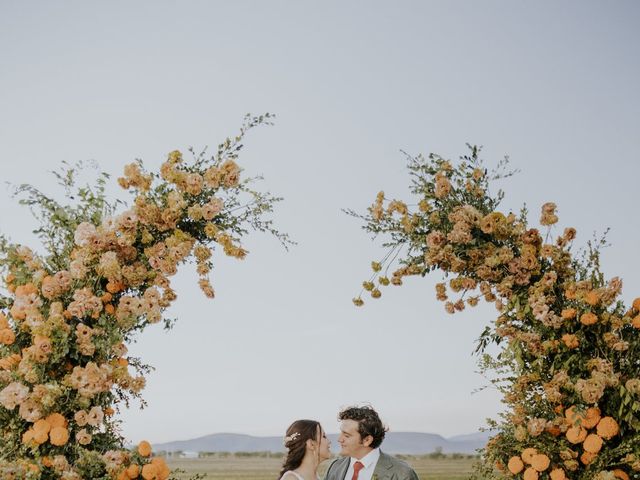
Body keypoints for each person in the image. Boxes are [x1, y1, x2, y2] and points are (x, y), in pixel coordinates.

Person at [324, 405, 419, 480]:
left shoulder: (402, 473)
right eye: (341, 433)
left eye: (347, 435)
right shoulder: (335, 467)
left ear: (367, 440)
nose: (339, 439)